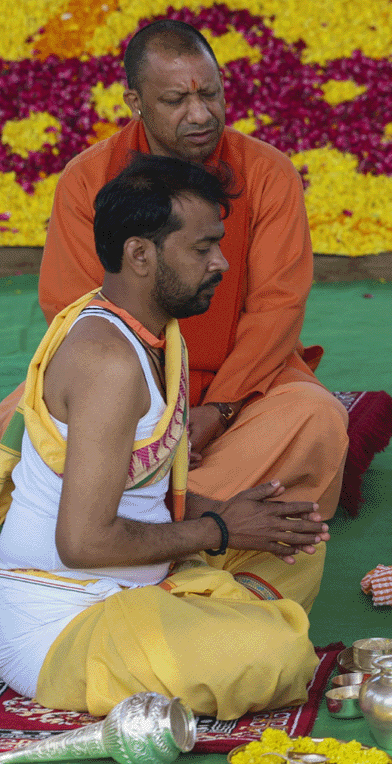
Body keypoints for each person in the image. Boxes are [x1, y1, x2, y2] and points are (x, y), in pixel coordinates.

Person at [0, 18, 349, 612]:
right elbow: (71, 306)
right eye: (176, 99)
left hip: (243, 389)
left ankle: (141, 528)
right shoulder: (88, 178)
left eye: (210, 93)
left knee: (315, 420)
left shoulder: (266, 173)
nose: (200, 114)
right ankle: (167, 528)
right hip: (122, 391)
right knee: (14, 427)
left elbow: (277, 307)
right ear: (134, 102)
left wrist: (218, 408)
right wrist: (147, 412)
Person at [0, 154, 330, 719]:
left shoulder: (153, 331)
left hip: (140, 579)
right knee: (276, 657)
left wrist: (228, 514)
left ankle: (204, 617)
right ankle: (215, 627)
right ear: (140, 254)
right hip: (64, 616)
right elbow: (81, 544)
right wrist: (220, 528)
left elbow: (144, 490)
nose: (222, 263)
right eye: (202, 249)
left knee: (298, 547)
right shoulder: (108, 361)